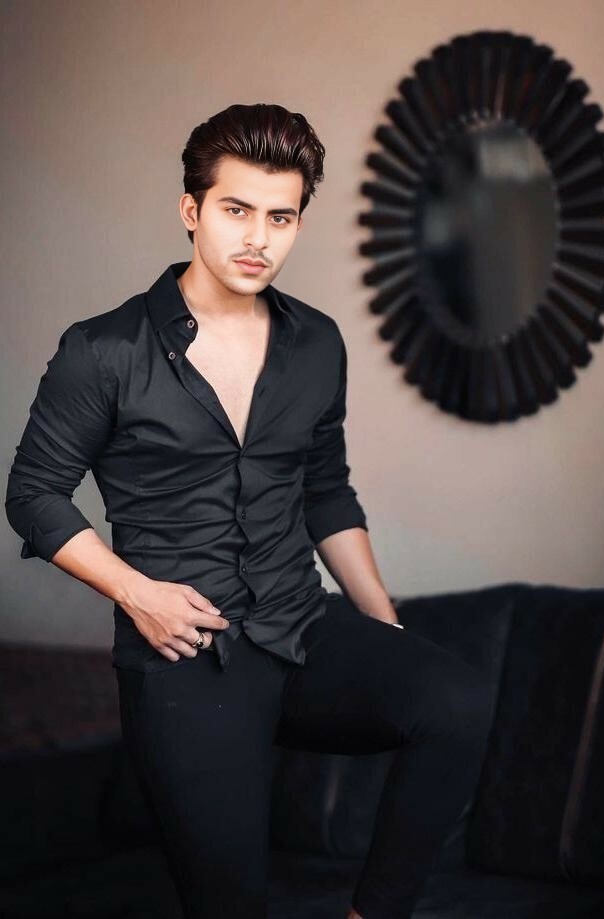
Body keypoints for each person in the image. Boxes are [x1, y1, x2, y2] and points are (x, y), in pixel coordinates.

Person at [5, 103, 494, 919]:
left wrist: (380, 620)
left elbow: (325, 488)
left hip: (300, 625)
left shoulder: (317, 343)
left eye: (280, 216)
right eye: (236, 210)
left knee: (457, 701)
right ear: (191, 210)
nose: (257, 238)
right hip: (186, 653)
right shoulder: (104, 350)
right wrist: (136, 593)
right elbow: (32, 493)